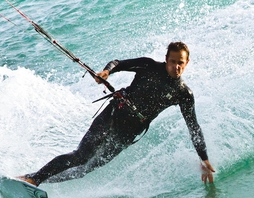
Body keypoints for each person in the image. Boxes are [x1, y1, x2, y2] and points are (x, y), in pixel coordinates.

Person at [19, 42, 215, 186]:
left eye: (180, 62)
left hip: (128, 133)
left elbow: (193, 127)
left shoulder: (183, 94)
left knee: (86, 168)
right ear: (166, 59)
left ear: (187, 62)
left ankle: (35, 178)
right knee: (81, 156)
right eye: (173, 62)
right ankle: (34, 179)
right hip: (113, 115)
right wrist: (106, 72)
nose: (176, 66)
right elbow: (117, 63)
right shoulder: (148, 66)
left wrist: (203, 158)